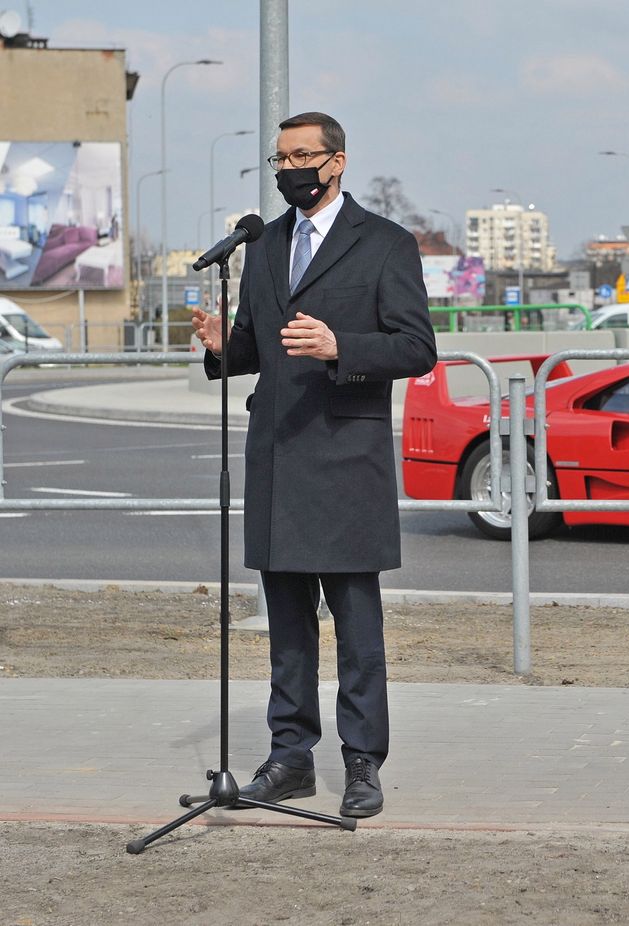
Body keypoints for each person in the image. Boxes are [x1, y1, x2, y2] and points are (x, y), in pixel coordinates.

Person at [192, 111, 436, 818]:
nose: (290, 168)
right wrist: (219, 346)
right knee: (287, 629)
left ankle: (362, 764)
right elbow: (252, 351)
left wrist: (341, 346)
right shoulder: (265, 248)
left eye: (303, 155)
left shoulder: (386, 245)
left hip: (346, 460)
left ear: (337, 163)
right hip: (276, 457)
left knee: (358, 629)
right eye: (280, 159)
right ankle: (289, 758)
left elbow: (417, 348)